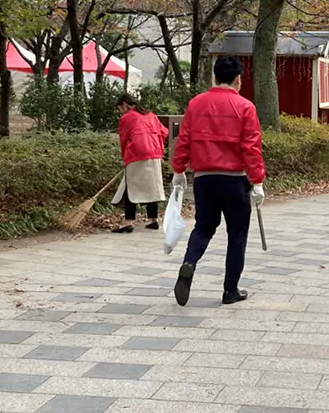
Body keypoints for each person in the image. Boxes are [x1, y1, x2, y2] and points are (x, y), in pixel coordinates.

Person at [171, 56, 265, 306]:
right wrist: (257, 182)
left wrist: (178, 171)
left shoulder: (196, 104)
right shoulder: (245, 107)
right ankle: (230, 290)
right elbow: (251, 147)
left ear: (214, 77)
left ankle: (189, 263)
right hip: (234, 180)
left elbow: (184, 140)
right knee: (237, 234)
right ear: (238, 79)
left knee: (203, 226)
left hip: (204, 179)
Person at [111, 94, 168, 233]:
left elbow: (123, 139)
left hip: (137, 154)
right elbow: (164, 132)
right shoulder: (150, 115)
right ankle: (153, 219)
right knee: (151, 187)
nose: (121, 112)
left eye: (120, 108)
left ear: (124, 105)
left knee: (132, 187)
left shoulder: (127, 118)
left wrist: (125, 157)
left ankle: (128, 221)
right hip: (155, 154)